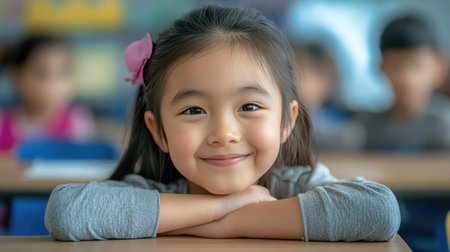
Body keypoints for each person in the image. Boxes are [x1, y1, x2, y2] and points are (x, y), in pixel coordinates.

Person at [44, 6, 400, 242]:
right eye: (194, 111)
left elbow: (378, 210)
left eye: (248, 105)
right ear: (157, 130)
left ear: (285, 121)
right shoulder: (153, 191)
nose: (224, 133)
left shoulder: (297, 186)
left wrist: (229, 224)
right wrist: (219, 206)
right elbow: (68, 211)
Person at [357, 14, 450, 151]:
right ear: (381, 67)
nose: (407, 78)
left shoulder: (445, 125)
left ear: (438, 68)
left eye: (416, 65)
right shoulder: (366, 126)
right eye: (396, 66)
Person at [0, 34, 96, 153]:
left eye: (64, 72)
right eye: (42, 73)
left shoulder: (78, 121)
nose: (55, 83)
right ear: (17, 78)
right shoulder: (2, 123)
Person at [293, 43, 365, 150]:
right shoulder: (281, 118)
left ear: (325, 79)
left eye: (302, 70)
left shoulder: (341, 121)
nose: (293, 77)